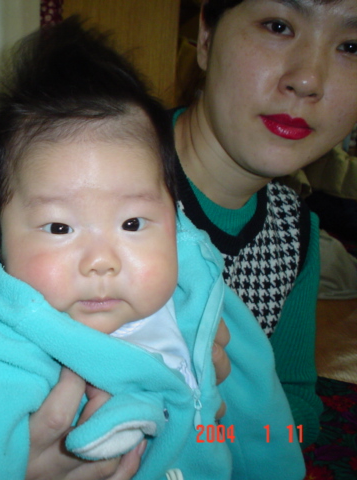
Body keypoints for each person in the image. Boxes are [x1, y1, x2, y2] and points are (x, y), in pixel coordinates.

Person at [0, 17, 305, 480]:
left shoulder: (200, 298)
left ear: (174, 219)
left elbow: (261, 416)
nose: (101, 261)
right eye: (59, 227)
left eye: (132, 223)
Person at [27, 0, 357, 478]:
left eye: (352, 46)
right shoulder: (81, 171)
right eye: (278, 25)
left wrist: (214, 434)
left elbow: (295, 404)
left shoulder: (294, 229)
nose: (307, 79)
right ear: (205, 38)